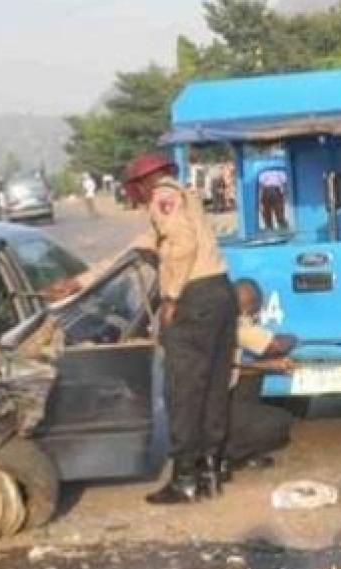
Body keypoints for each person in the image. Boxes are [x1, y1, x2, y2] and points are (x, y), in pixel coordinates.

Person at [116, 153, 237, 506]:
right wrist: (80, 281)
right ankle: (211, 469)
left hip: (194, 298)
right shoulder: (187, 196)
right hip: (220, 292)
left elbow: (182, 245)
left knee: (183, 390)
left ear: (142, 183)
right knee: (214, 385)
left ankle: (185, 478)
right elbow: (139, 250)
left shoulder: (162, 197)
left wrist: (171, 298)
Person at [224, 280, 299, 472]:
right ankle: (229, 454)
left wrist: (267, 366)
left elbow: (233, 367)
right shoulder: (239, 326)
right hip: (213, 415)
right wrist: (296, 337)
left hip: (199, 409)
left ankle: (236, 451)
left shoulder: (213, 322)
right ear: (252, 308)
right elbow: (277, 345)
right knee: (280, 423)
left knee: (251, 377)